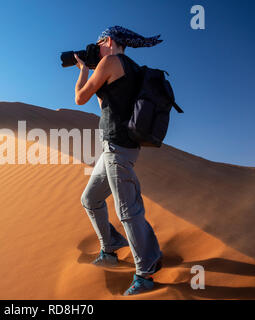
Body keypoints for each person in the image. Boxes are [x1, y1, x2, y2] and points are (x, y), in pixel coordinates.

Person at [74, 26, 163, 296]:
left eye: (99, 42)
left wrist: (83, 71)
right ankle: (110, 247)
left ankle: (145, 273)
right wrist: (96, 75)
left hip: (118, 149)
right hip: (117, 147)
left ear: (109, 41)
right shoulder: (131, 68)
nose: (96, 47)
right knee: (90, 199)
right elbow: (107, 106)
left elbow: (79, 98)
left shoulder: (111, 61)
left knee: (128, 211)